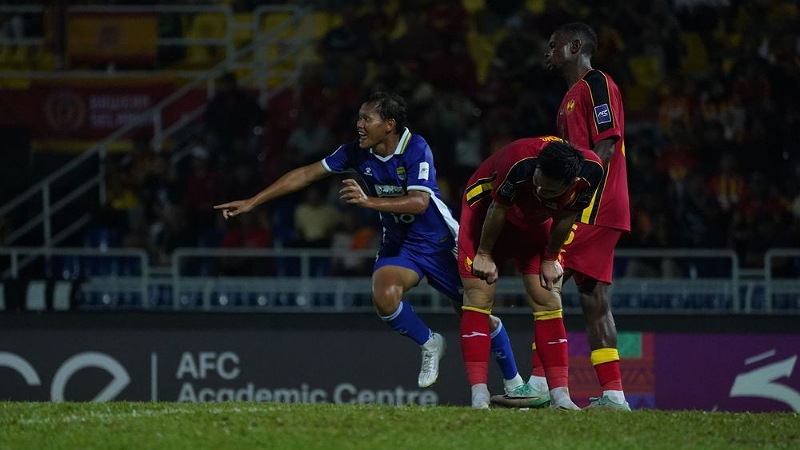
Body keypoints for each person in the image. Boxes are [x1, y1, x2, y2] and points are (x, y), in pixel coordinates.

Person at [214, 92, 525, 391]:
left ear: (388, 124)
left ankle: (515, 383)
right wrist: (254, 201)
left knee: (475, 316)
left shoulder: (416, 147)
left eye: (366, 119)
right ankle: (430, 342)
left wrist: (367, 202)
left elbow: (419, 202)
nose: (359, 125)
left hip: (441, 242)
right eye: (358, 119)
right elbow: (307, 174)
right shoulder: (354, 152)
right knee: (384, 296)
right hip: (401, 244)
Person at [458, 135, 604, 410]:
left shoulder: (591, 172)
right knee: (478, 295)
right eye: (536, 182)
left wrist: (550, 258)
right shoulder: (520, 161)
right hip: (485, 212)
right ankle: (479, 398)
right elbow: (497, 207)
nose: (538, 189)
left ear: (569, 183)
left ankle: (561, 398)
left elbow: (567, 216)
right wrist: (485, 254)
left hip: (534, 220)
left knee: (548, 297)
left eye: (547, 190)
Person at [539, 22, 632, 411]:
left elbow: (607, 145)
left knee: (542, 277)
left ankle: (542, 385)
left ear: (575, 46)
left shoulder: (596, 85)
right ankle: (614, 396)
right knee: (595, 300)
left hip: (592, 205)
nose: (548, 51)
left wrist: (576, 199)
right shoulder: (569, 97)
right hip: (604, 207)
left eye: (554, 45)